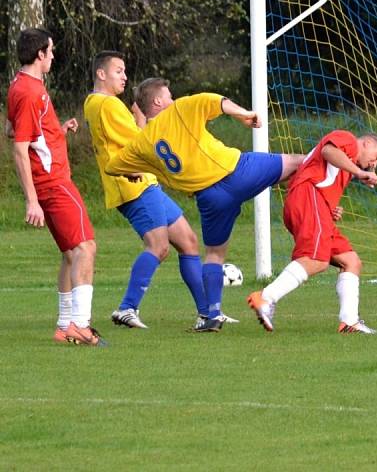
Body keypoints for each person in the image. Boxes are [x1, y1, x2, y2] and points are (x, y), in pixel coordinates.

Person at [105, 77, 304, 332]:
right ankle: (346, 176)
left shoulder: (141, 145)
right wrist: (244, 114)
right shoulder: (178, 110)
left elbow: (113, 166)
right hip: (235, 172)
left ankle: (212, 314)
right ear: (158, 101)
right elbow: (214, 101)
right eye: (168, 95)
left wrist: (132, 170)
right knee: (301, 162)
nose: (173, 99)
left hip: (209, 198)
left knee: (213, 254)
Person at [84, 51, 214, 330]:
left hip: (144, 184)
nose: (124, 76)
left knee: (189, 241)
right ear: (101, 73)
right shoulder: (108, 105)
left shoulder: (95, 104)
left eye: (124, 71)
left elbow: (134, 140)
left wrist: (140, 119)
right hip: (134, 186)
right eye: (118, 71)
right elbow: (142, 144)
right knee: (159, 246)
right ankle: (127, 308)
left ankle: (208, 313)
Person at [6, 28, 105, 346]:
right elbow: (19, 148)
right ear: (39, 54)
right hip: (54, 183)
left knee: (69, 254)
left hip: (51, 180)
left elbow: (16, 129)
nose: (53, 56)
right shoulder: (30, 91)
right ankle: (80, 324)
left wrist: (56, 132)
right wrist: (31, 201)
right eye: (50, 51)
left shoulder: (22, 86)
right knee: (86, 248)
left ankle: (65, 327)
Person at [247, 130, 377, 334]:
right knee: (316, 260)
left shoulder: (347, 169)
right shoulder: (348, 140)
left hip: (313, 204)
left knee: (351, 261)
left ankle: (349, 321)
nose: (375, 164)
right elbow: (328, 151)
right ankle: (266, 297)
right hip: (307, 197)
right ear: (366, 143)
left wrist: (331, 209)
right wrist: (359, 173)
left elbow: (322, 178)